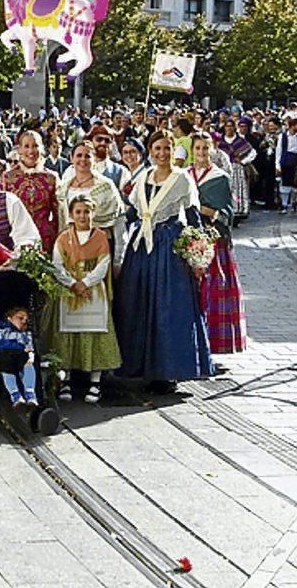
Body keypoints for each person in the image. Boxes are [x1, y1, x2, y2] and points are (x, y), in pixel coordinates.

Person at [115, 131, 213, 392]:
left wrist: (199, 254)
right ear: (150, 150)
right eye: (157, 148)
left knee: (167, 306)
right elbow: (133, 212)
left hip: (168, 246)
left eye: (166, 149)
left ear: (173, 151)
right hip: (142, 248)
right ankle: (138, 365)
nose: (161, 154)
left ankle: (168, 370)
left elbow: (193, 218)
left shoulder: (182, 179)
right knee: (138, 302)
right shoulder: (144, 177)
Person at [50, 197, 122, 404]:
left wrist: (86, 283)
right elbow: (57, 265)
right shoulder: (63, 238)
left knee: (95, 332)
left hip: (93, 290)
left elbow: (103, 264)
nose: (83, 216)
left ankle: (95, 382)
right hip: (69, 290)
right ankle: (66, 380)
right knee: (68, 333)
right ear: (72, 215)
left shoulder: (100, 237)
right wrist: (73, 284)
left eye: (87, 212)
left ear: (93, 213)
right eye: (78, 212)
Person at [191, 134, 247, 355]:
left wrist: (207, 210)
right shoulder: (186, 175)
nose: (202, 153)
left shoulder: (220, 176)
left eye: (206, 148)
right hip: (190, 237)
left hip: (213, 240)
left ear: (212, 150)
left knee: (214, 290)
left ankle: (215, 344)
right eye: (198, 148)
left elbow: (226, 212)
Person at [56, 142, 126, 268]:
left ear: (93, 159)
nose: (83, 159)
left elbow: (119, 224)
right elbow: (62, 223)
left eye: (87, 156)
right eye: (79, 155)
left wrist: (118, 260)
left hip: (99, 247)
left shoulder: (106, 186)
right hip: (71, 247)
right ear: (72, 159)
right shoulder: (63, 188)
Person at [0, 130, 59, 252]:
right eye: (26, 146)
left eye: (35, 146)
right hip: (16, 239)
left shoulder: (51, 178)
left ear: (41, 149)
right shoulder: (7, 178)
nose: (31, 151)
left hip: (45, 240)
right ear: (19, 150)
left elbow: (59, 214)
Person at [0, 306, 39, 408]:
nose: (24, 321)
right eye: (20, 318)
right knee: (5, 366)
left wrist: (30, 353)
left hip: (19, 353)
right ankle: (16, 395)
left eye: (26, 319)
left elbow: (30, 347)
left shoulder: (26, 333)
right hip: (1, 353)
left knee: (28, 362)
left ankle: (30, 394)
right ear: (9, 318)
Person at [216, 120, 257, 225]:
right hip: (223, 170)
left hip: (237, 170)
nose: (229, 128)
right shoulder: (220, 142)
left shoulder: (240, 141)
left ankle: (238, 212)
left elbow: (252, 153)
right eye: (227, 126)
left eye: (231, 126)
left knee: (237, 190)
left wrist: (243, 161)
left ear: (234, 128)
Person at [275, 118, 297, 212]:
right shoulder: (283, 136)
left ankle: (294, 202)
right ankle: (284, 204)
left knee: (296, 183)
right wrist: (277, 164)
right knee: (285, 183)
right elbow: (279, 150)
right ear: (292, 126)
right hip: (286, 160)